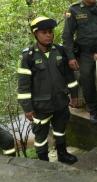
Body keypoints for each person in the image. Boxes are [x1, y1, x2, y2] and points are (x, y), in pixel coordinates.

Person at [17, 16, 78, 163]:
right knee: (40, 135)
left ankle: (62, 153)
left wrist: (74, 94)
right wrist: (27, 108)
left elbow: (69, 76)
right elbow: (23, 86)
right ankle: (43, 160)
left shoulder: (60, 51)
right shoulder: (28, 56)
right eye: (44, 32)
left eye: (50, 31)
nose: (48, 35)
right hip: (40, 106)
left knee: (60, 128)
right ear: (35, 34)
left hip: (61, 102)